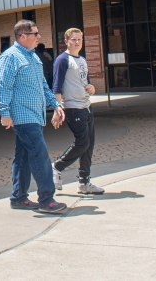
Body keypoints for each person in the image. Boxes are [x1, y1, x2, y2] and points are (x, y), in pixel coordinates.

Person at [0, 19, 66, 214]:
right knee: (40, 155)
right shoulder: (10, 57)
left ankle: (18, 197)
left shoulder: (33, 57)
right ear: (22, 36)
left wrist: (55, 104)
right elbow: (2, 86)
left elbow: (43, 86)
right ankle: (47, 200)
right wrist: (4, 113)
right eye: (35, 34)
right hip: (22, 116)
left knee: (23, 157)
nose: (39, 37)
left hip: (35, 115)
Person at [51, 28, 105, 195]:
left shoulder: (82, 60)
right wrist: (57, 108)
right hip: (73, 108)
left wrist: (91, 88)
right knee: (82, 142)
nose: (76, 42)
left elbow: (85, 82)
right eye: (73, 40)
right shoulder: (62, 60)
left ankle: (84, 182)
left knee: (89, 145)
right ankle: (57, 166)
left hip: (86, 106)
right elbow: (57, 86)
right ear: (66, 41)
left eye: (79, 40)